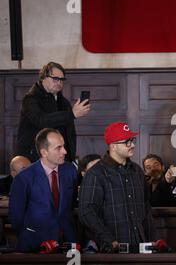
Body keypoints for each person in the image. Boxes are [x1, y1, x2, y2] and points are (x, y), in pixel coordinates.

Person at [78, 122, 155, 253]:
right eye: (127, 142)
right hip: (112, 249)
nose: (132, 145)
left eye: (132, 140)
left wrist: (151, 239)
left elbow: (146, 207)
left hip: (140, 246)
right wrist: (108, 239)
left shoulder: (137, 171)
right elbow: (86, 212)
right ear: (113, 146)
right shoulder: (96, 174)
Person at [9, 128, 78, 252]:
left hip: (68, 242)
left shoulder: (71, 171)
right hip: (34, 243)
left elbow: (71, 204)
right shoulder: (23, 178)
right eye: (58, 148)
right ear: (44, 152)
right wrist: (30, 234)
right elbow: (16, 218)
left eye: (64, 146)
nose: (65, 151)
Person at [16, 62, 90, 162]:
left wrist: (70, 156)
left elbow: (69, 134)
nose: (59, 82)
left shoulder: (63, 102)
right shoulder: (30, 99)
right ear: (43, 78)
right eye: (55, 79)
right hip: (35, 159)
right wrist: (71, 114)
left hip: (62, 159)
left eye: (62, 80)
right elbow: (42, 121)